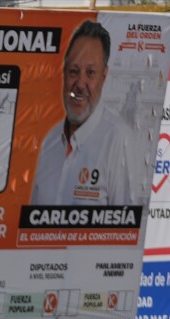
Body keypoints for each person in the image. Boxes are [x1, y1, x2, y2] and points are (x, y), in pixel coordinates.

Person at [30, 20, 141, 207]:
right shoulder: (49, 143)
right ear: (64, 75)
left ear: (103, 77)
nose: (80, 84)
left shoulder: (118, 140)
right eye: (74, 72)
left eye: (90, 73)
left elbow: (126, 231)